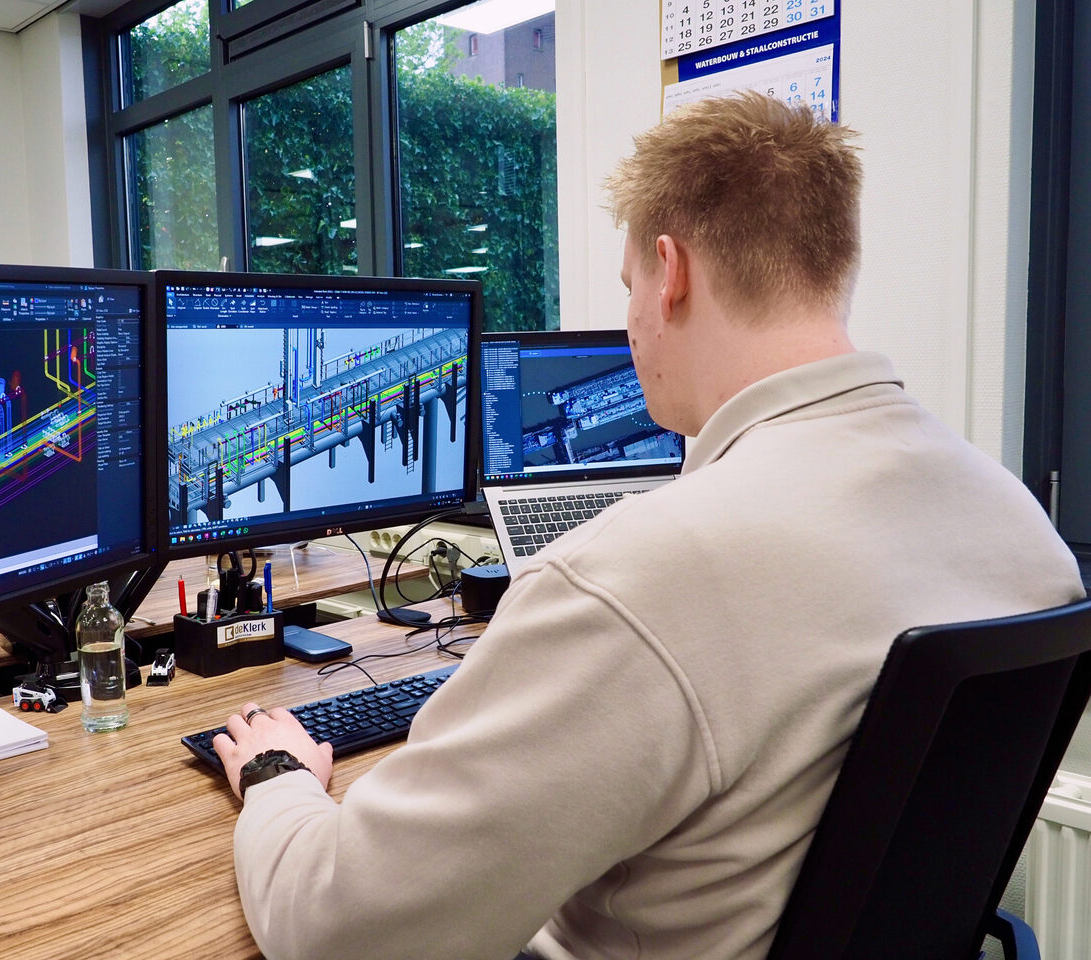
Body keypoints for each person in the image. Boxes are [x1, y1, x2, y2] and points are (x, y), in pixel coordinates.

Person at [211, 92, 1084, 960]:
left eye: (629, 288)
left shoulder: (637, 578)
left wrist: (278, 777)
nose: (632, 321)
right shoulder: (1018, 522)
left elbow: (340, 933)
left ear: (671, 274)